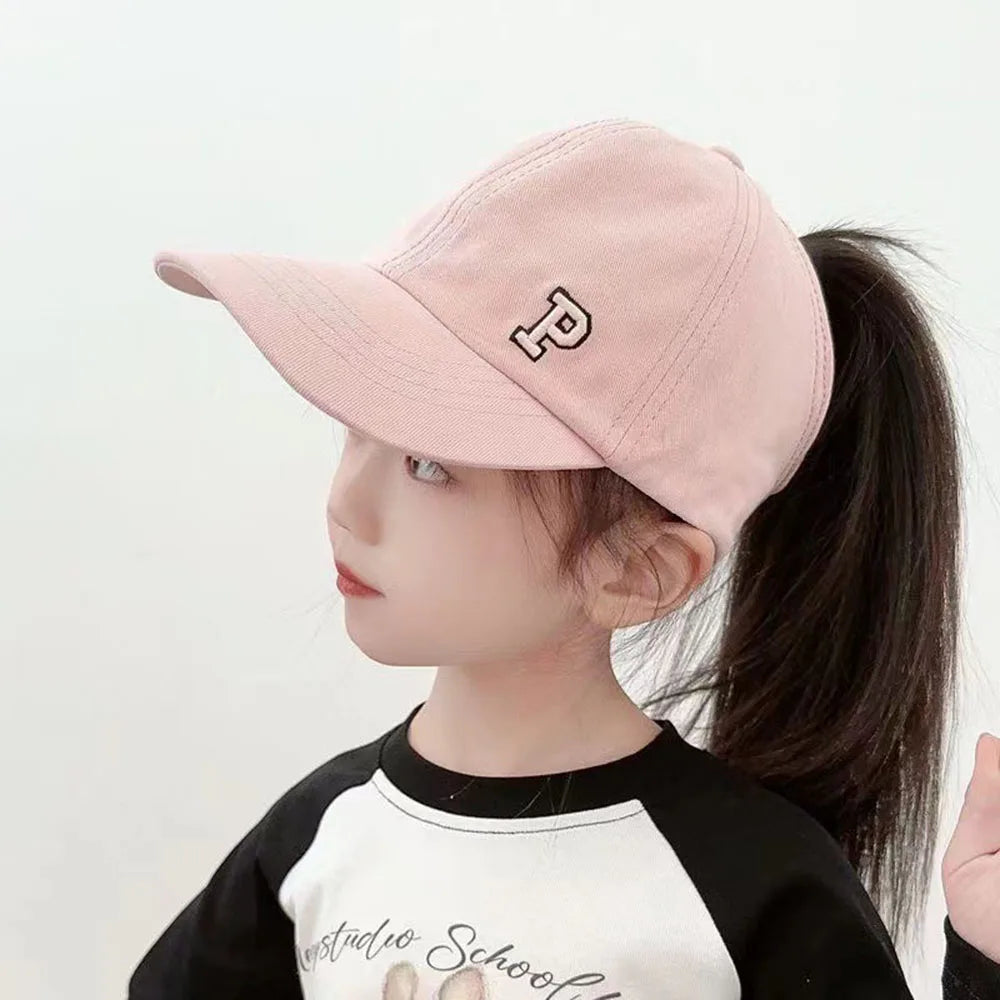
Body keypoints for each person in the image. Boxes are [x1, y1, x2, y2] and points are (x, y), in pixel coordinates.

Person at [129, 117, 1000, 998]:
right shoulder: (322, 834)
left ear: (638, 570)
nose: (345, 502)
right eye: (355, 426)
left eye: (429, 464)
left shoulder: (756, 890)